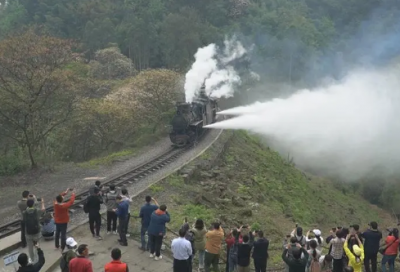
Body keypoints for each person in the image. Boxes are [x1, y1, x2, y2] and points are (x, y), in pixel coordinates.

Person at [23, 198, 45, 263]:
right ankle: (37, 259)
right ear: (33, 204)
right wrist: (42, 202)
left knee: (30, 247)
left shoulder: (24, 212)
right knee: (37, 245)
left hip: (28, 233)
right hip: (37, 232)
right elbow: (43, 210)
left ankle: (32, 260)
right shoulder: (37, 210)